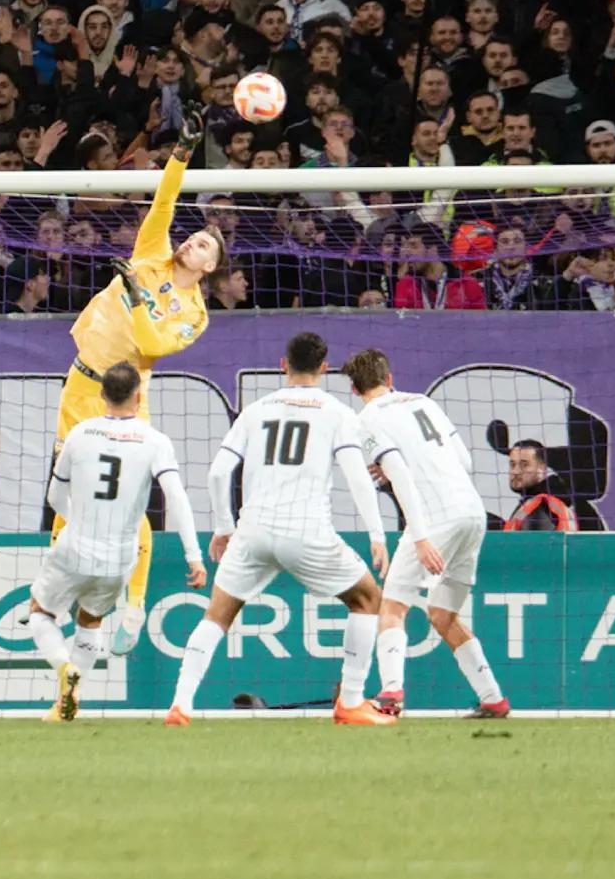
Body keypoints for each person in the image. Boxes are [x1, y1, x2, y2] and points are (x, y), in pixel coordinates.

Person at [53, 103, 224, 658]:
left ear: (210, 268)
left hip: (129, 401)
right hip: (81, 388)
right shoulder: (149, 254)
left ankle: (134, 602)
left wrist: (132, 298)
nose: (190, 242)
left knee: (134, 507)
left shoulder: (194, 314)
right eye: (192, 236)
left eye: (203, 245)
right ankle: (65, 600)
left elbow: (151, 344)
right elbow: (164, 202)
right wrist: (182, 153)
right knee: (67, 502)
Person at [166, 332, 394, 727]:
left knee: (216, 616)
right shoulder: (338, 412)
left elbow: (218, 472)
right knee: (367, 599)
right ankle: (351, 702)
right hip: (307, 530)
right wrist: (377, 533)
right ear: (324, 368)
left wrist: (223, 527)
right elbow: (358, 477)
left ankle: (181, 705)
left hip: (253, 530)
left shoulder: (256, 410)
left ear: (283, 364)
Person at [31, 362, 204, 721]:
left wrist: (78, 519)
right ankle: (70, 698)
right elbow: (177, 498)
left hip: (75, 545)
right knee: (90, 620)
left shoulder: (80, 433)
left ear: (101, 395)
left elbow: (53, 497)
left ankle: (65, 668)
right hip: (118, 557)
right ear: (138, 397)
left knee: (40, 612)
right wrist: (194, 556)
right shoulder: (155, 441)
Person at [344, 349, 509, 720]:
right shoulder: (423, 402)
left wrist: (420, 535)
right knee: (442, 614)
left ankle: (390, 696)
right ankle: (493, 698)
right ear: (389, 378)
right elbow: (464, 460)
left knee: (393, 605)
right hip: (472, 511)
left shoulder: (365, 419)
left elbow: (399, 472)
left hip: (434, 518)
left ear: (355, 390)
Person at [502, 440, 578, 531]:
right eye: (512, 465)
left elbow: (536, 544)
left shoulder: (539, 508)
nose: (516, 471)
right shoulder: (540, 502)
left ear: (541, 469)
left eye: (524, 465)